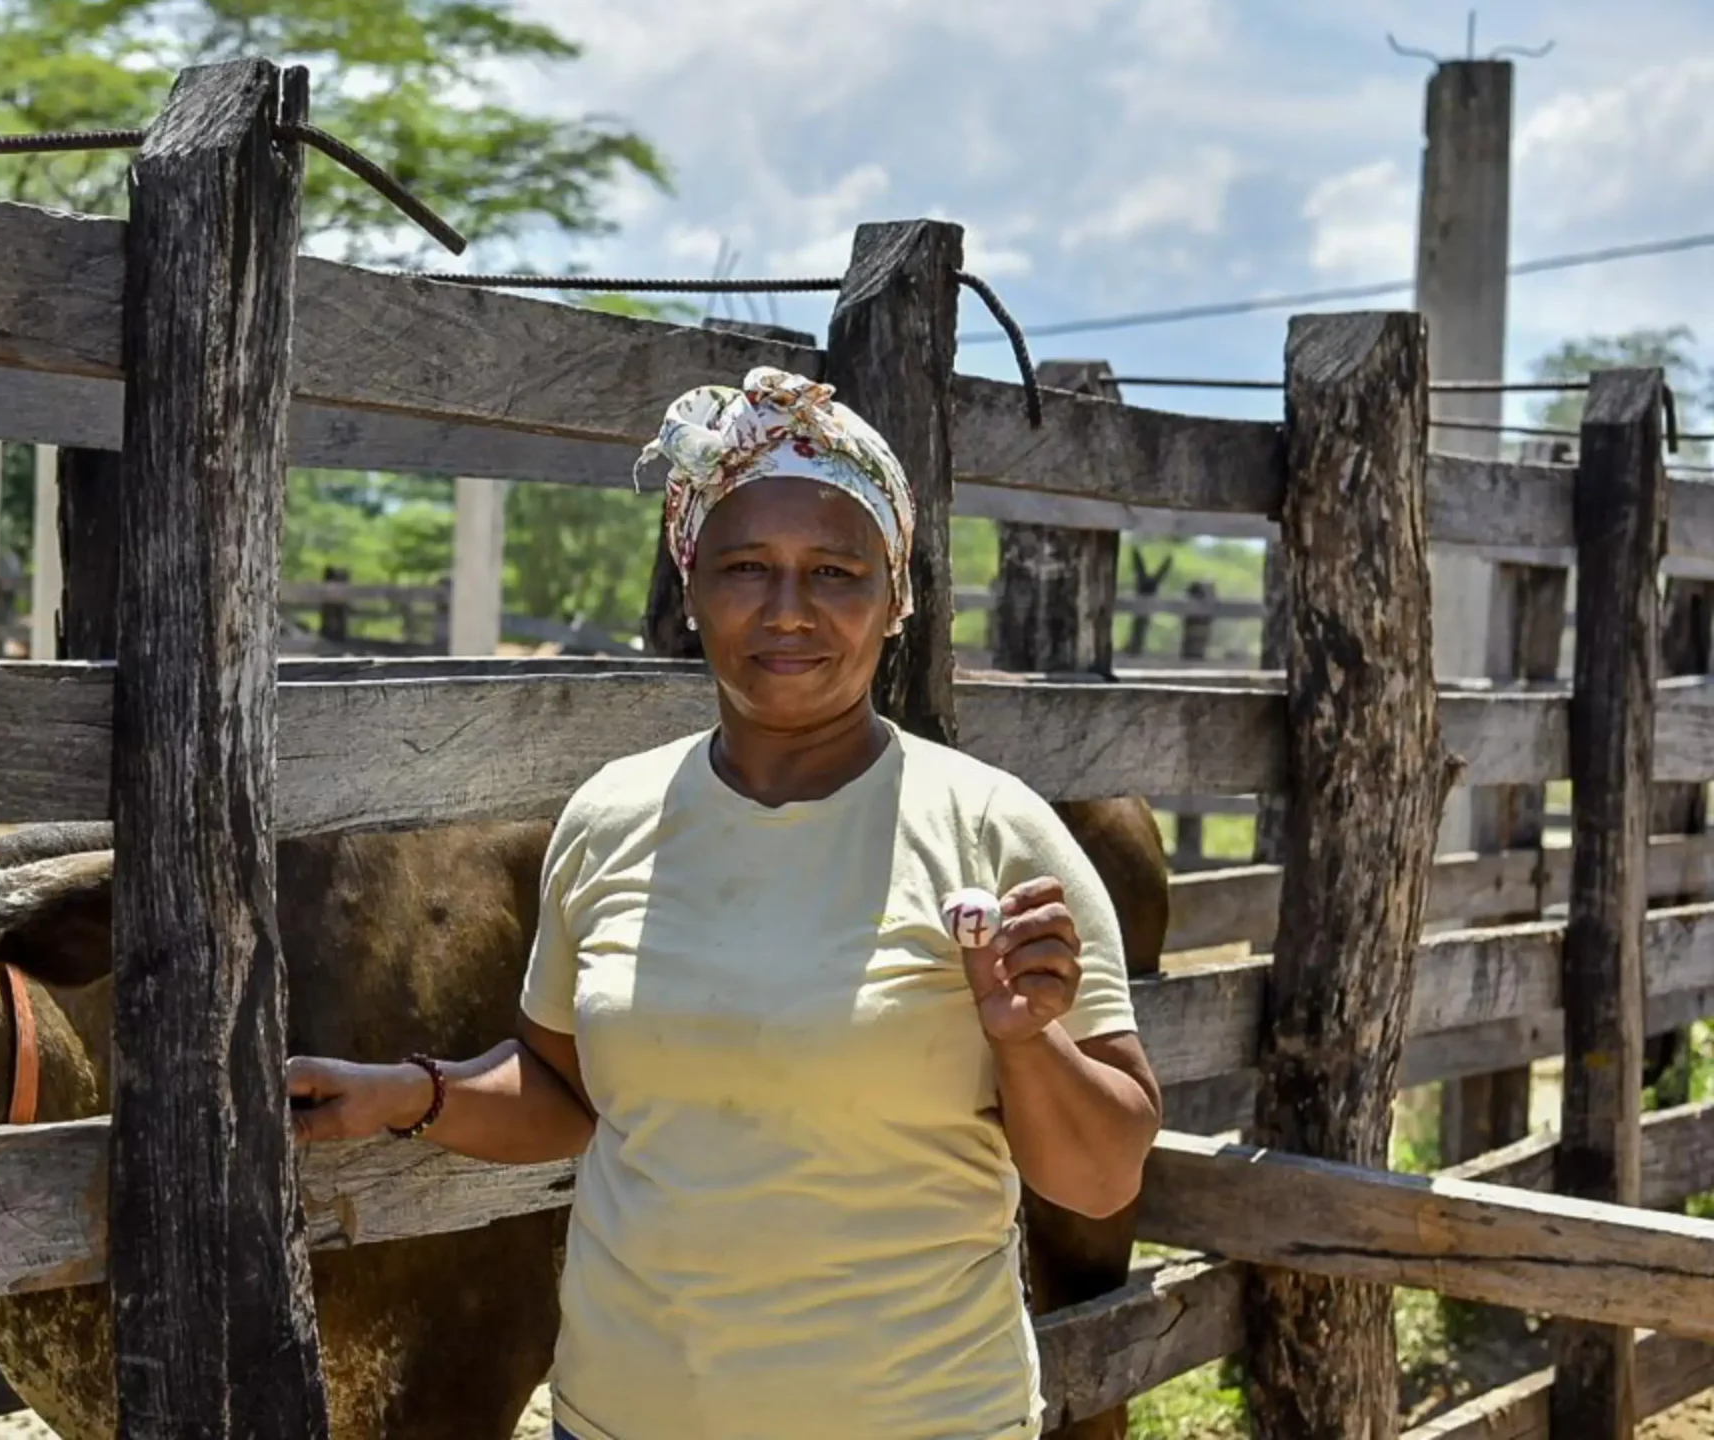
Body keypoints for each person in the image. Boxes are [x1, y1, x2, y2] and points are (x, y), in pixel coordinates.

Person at [286, 366, 1163, 1440]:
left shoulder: (991, 832)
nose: (787, 610)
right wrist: (404, 1095)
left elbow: (1102, 1170)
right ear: (690, 582)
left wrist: (1029, 1044)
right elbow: (566, 1089)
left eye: (835, 572)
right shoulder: (610, 819)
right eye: (746, 566)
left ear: (895, 600)